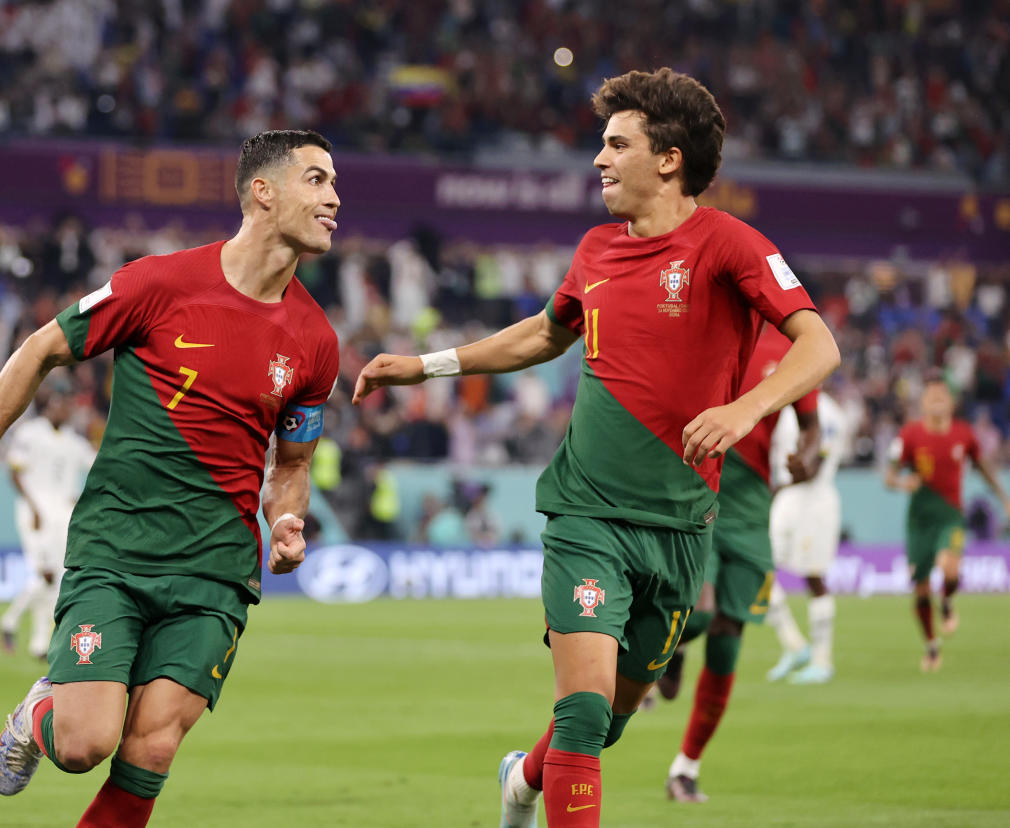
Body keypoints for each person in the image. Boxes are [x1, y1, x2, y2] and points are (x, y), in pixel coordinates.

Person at [353, 67, 840, 828]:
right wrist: (425, 365)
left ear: (669, 159)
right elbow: (546, 333)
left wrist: (748, 409)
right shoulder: (596, 249)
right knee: (581, 714)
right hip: (587, 514)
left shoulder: (730, 245)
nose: (599, 159)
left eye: (618, 144)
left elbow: (819, 345)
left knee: (606, 722)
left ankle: (521, 781)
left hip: (682, 527)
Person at [0, 129, 341, 828]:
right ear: (262, 193)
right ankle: (39, 716)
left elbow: (293, 466)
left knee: (150, 748)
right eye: (316, 180)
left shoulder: (317, 342)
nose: (333, 198)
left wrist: (287, 517)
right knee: (87, 742)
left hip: (216, 568)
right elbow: (40, 350)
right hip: (117, 551)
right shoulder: (159, 283)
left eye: (335, 185)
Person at [658, 325, 821, 804]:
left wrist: (806, 460)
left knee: (728, 641)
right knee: (701, 612)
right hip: (699, 488)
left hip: (752, 508)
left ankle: (685, 769)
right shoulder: (699, 326)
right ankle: (669, 646)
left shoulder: (789, 346)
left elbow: (810, 428)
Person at [884, 376, 1010, 672]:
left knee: (950, 568)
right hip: (919, 521)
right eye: (932, 396)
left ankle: (949, 601)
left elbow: (983, 468)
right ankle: (931, 646)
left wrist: (1003, 497)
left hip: (950, 515)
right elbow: (889, 477)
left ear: (952, 402)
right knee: (922, 589)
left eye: (943, 395)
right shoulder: (909, 435)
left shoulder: (964, 435)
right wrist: (904, 483)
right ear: (923, 402)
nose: (937, 400)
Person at [0, 382, 96, 660]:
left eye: (66, 405)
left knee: (58, 577)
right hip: (35, 512)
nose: (62, 410)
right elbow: (14, 471)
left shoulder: (74, 442)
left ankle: (40, 644)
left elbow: (98, 466)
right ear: (49, 405)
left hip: (62, 515)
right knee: (45, 574)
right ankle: (10, 621)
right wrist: (33, 506)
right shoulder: (29, 434)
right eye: (57, 404)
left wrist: (79, 498)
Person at [764, 390, 850, 684]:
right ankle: (794, 644)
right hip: (786, 499)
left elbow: (815, 466)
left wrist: (775, 488)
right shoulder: (786, 403)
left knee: (814, 578)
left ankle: (822, 660)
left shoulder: (826, 412)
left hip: (813, 502)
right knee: (759, 568)